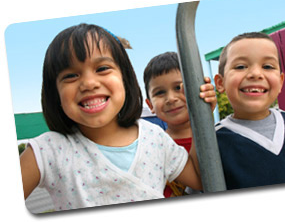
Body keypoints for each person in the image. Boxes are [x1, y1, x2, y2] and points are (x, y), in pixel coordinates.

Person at [19, 24, 207, 211]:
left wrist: (201, 112)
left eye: (102, 68)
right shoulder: (47, 151)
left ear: (125, 77)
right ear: (55, 93)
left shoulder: (155, 137)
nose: (89, 83)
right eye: (70, 75)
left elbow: (200, 179)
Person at [213, 32, 285, 190]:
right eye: (241, 66)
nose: (255, 74)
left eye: (267, 66)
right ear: (220, 83)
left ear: (281, 82)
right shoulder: (214, 139)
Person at [143, 52, 216, 197]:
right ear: (150, 105)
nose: (171, 98)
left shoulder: (222, 135)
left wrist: (204, 113)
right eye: (160, 92)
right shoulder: (154, 145)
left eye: (178, 88)